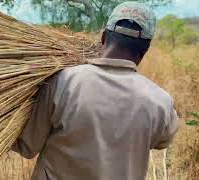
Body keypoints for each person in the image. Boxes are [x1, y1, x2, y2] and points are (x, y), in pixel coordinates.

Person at [12, 2, 178, 180]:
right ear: (145, 49)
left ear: (103, 37)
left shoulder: (63, 82)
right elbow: (164, 140)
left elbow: (28, 146)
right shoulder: (160, 102)